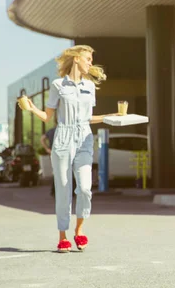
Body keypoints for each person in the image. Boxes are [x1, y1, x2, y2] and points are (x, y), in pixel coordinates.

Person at [19, 45, 119, 253]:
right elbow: (48, 117)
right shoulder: (57, 85)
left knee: (84, 188)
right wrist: (31, 108)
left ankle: (79, 230)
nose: (91, 62)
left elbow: (88, 118)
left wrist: (111, 117)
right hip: (63, 138)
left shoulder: (90, 86)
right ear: (76, 59)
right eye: (88, 58)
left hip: (84, 137)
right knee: (63, 189)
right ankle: (62, 235)